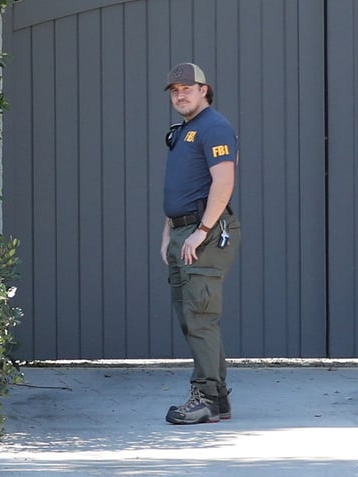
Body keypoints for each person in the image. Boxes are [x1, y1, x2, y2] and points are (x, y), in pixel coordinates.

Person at [160, 63, 241, 425]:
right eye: (175, 89)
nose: (180, 94)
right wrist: (167, 233)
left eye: (188, 88)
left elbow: (223, 182)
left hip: (203, 234)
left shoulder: (215, 127)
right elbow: (182, 186)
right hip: (182, 232)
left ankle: (206, 396)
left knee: (200, 317)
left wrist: (201, 230)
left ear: (204, 90)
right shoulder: (185, 130)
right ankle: (218, 400)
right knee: (191, 318)